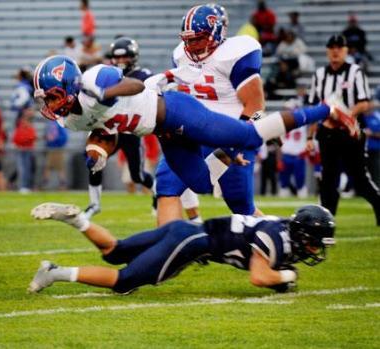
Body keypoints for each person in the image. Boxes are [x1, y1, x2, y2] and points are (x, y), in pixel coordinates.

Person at [33, 54, 356, 211]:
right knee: (202, 183)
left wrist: (108, 93)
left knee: (252, 136)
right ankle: (229, 152)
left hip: (175, 111)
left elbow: (133, 84)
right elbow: (103, 129)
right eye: (46, 99)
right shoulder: (69, 119)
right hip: (164, 134)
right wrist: (96, 152)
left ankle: (328, 108)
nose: (50, 104)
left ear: (69, 86)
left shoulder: (93, 81)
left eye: (53, 96)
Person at [28, 203, 335, 294]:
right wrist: (286, 278)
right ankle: (54, 272)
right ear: (300, 233)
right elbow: (259, 276)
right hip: (193, 242)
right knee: (125, 282)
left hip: (186, 232)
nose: (314, 248)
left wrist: (283, 276)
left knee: (116, 250)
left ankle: (78, 219)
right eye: (313, 241)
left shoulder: (280, 227)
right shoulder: (277, 238)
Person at [160, 4, 264, 226]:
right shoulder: (180, 54)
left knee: (241, 207)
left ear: (215, 35)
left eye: (197, 39)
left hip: (231, 134)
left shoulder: (236, 54)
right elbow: (181, 93)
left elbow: (256, 107)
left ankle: (281, 241)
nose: (190, 45)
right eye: (187, 39)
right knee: (166, 184)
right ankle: (169, 248)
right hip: (194, 132)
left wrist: (237, 144)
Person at [307, 34, 380, 226]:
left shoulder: (355, 72)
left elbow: (364, 103)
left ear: (346, 50)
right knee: (328, 179)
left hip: (350, 133)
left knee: (359, 178)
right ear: (327, 50)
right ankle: (326, 223)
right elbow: (313, 108)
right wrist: (309, 136)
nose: (335, 50)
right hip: (327, 133)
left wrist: (344, 116)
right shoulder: (319, 75)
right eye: (332, 47)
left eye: (339, 47)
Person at [83, 37, 155, 219]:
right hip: (108, 128)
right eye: (118, 57)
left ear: (134, 57)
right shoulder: (107, 74)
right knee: (94, 162)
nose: (121, 61)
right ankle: (94, 204)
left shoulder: (142, 74)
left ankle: (158, 195)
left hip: (130, 130)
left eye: (125, 57)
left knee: (137, 175)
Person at [12, 109, 37, 193]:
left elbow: (32, 137)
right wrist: (26, 141)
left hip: (28, 150)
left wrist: (27, 140)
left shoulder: (29, 127)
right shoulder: (20, 127)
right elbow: (17, 139)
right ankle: (23, 186)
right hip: (22, 150)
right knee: (22, 170)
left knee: (28, 170)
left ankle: (27, 186)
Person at [43, 120, 68, 190]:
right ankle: (45, 184)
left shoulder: (59, 123)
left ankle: (62, 185)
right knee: (48, 167)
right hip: (50, 148)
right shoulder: (50, 123)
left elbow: (64, 137)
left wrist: (55, 140)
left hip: (57, 148)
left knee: (60, 167)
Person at [362, 110, 380, 187]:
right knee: (364, 171)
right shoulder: (361, 117)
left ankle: (377, 188)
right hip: (363, 149)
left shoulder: (377, 116)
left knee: (376, 171)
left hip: (376, 149)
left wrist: (371, 133)